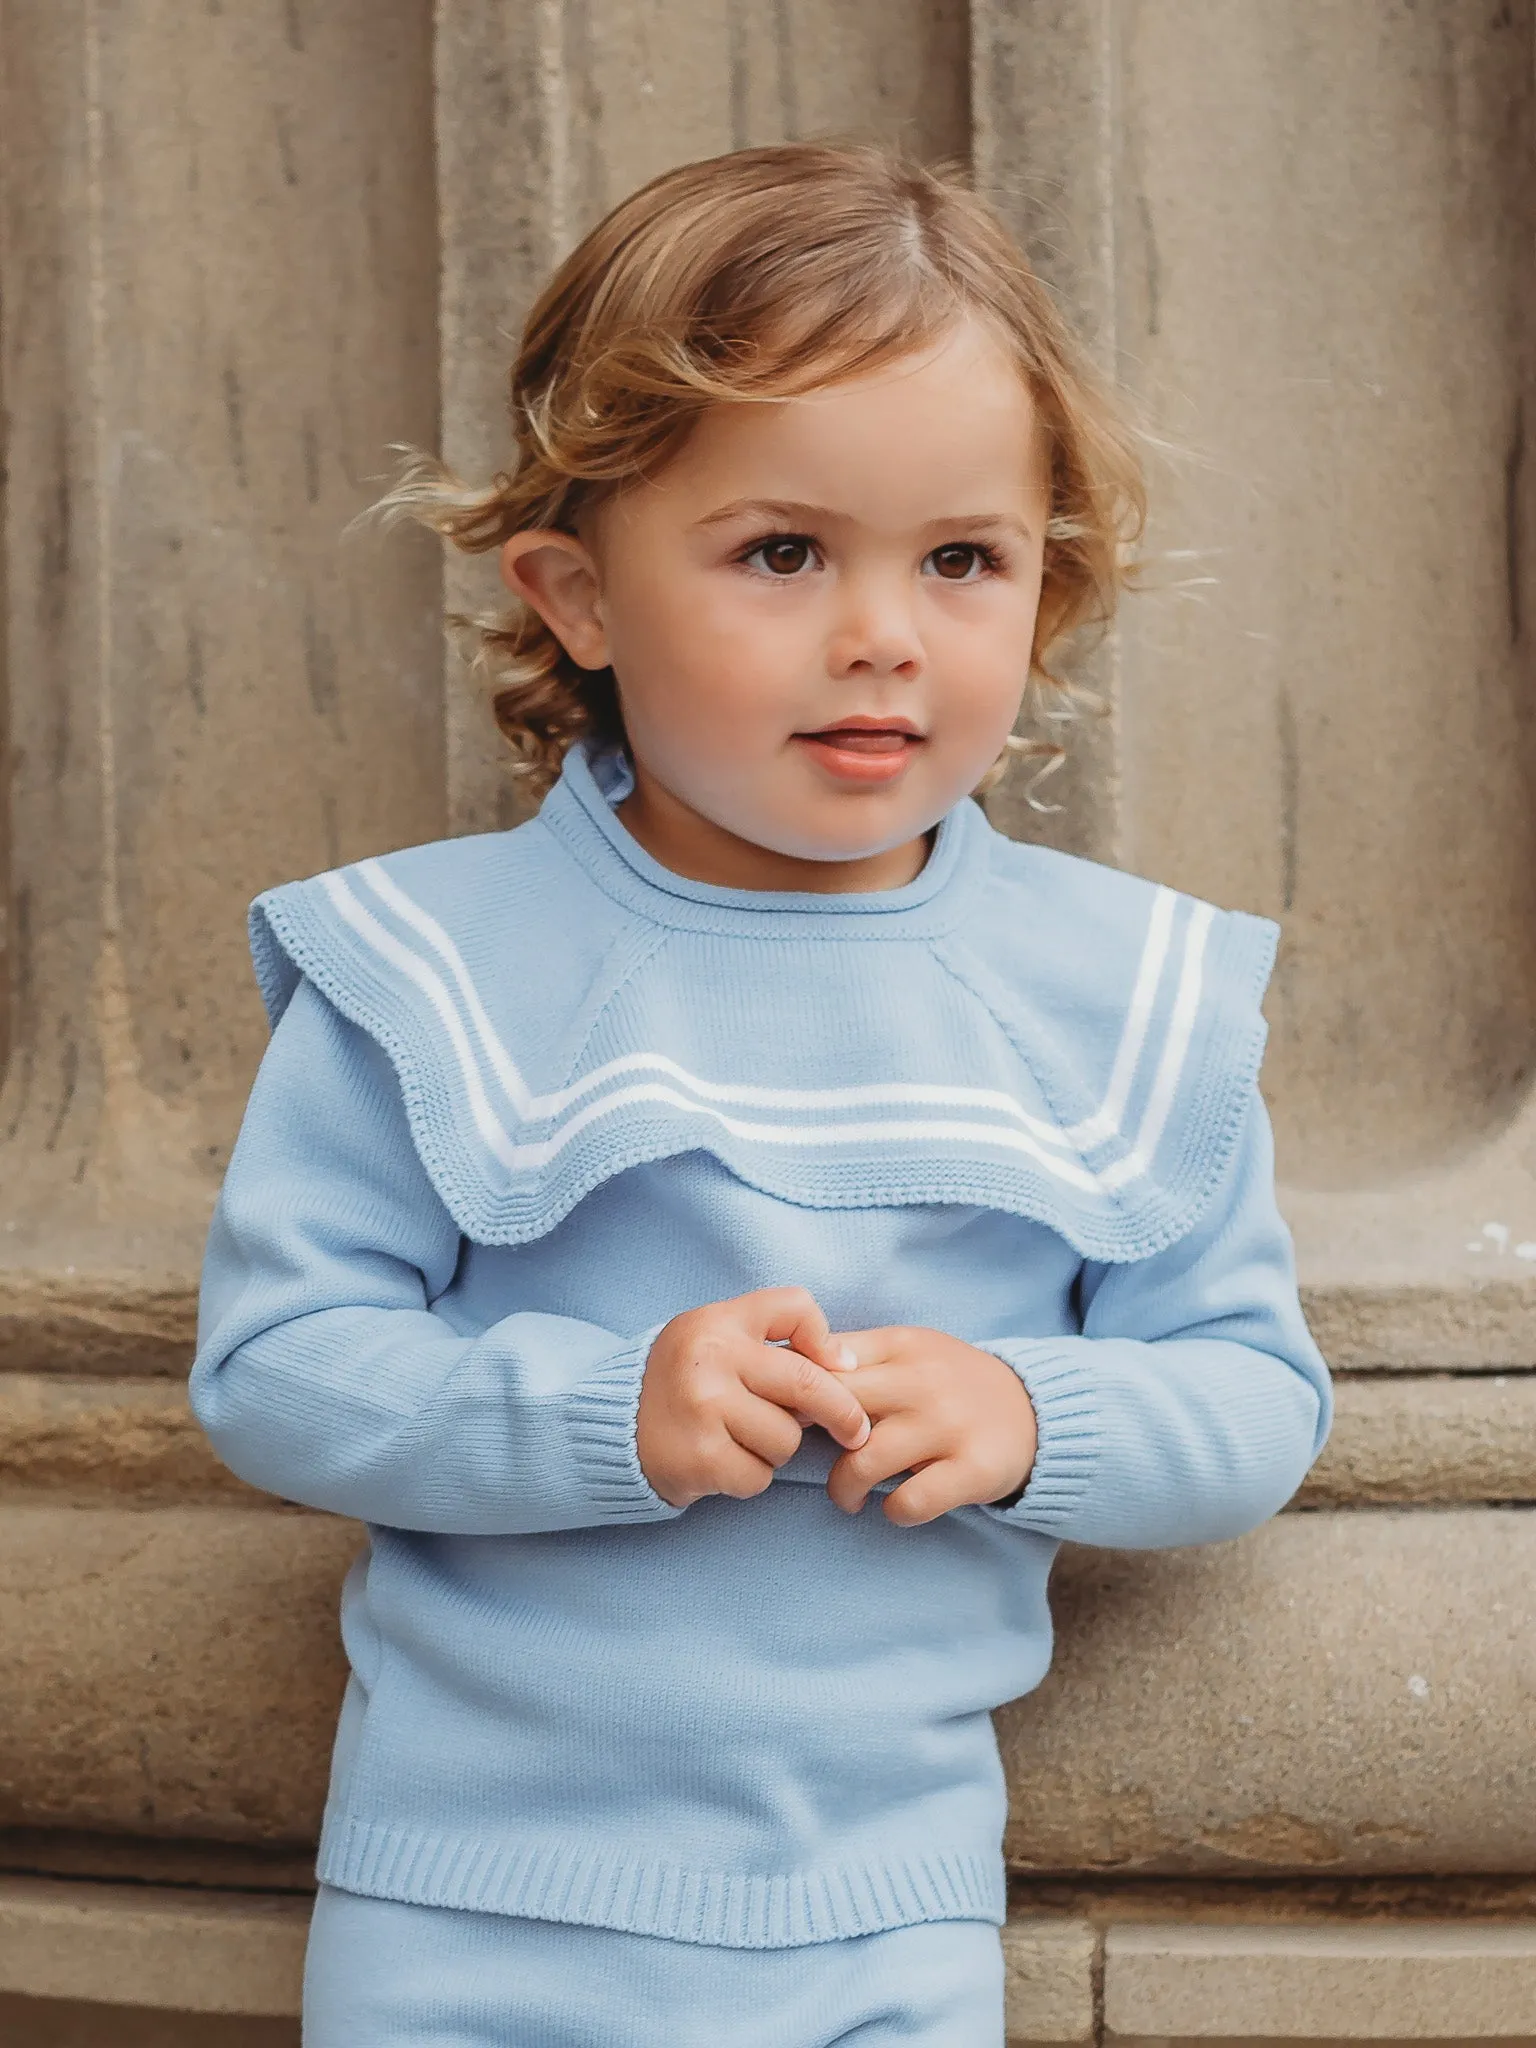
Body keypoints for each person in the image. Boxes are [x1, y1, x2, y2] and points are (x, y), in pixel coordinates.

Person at [190, 141, 1332, 2047]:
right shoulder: (435, 966)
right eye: (782, 551)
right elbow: (279, 1362)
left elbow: (1253, 1397)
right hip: (470, 1910)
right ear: (577, 595)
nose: (883, 630)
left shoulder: (1123, 996)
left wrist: (1029, 1409)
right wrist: (601, 1410)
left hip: (885, 1923)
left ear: (1048, 591)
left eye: (963, 558)